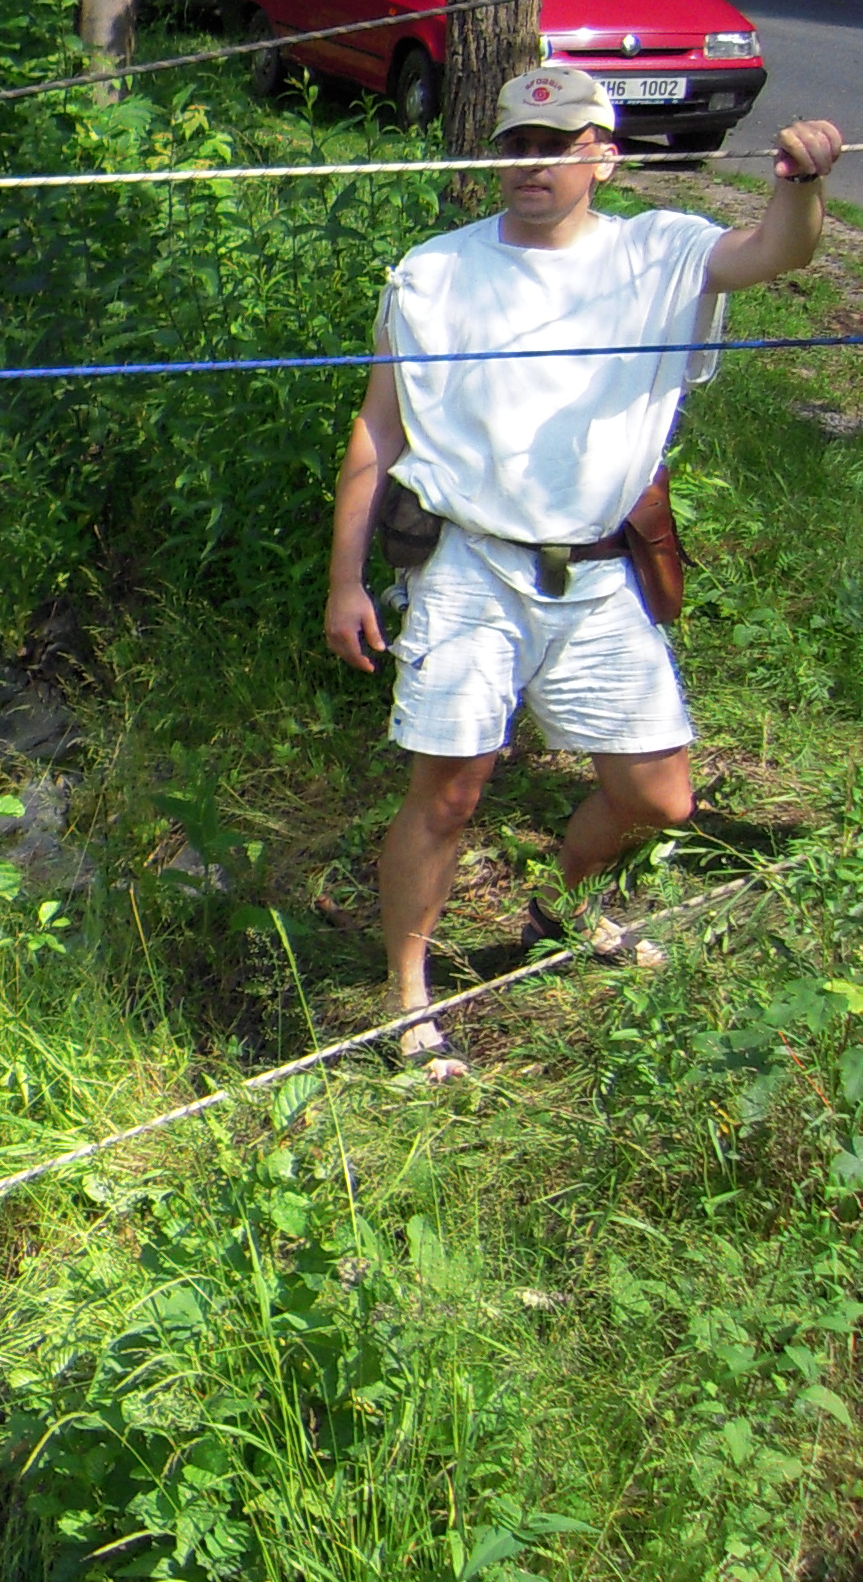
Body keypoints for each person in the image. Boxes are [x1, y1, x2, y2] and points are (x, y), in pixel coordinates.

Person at [325, 68, 844, 1057]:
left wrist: (802, 182)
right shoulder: (431, 273)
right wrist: (346, 580)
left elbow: (779, 250)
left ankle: (564, 910)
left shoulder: (661, 251)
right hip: (472, 567)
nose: (534, 164)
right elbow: (378, 428)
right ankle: (408, 1002)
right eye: (518, 145)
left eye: (558, 145)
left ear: (602, 156)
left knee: (659, 799)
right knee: (450, 794)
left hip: (601, 571)